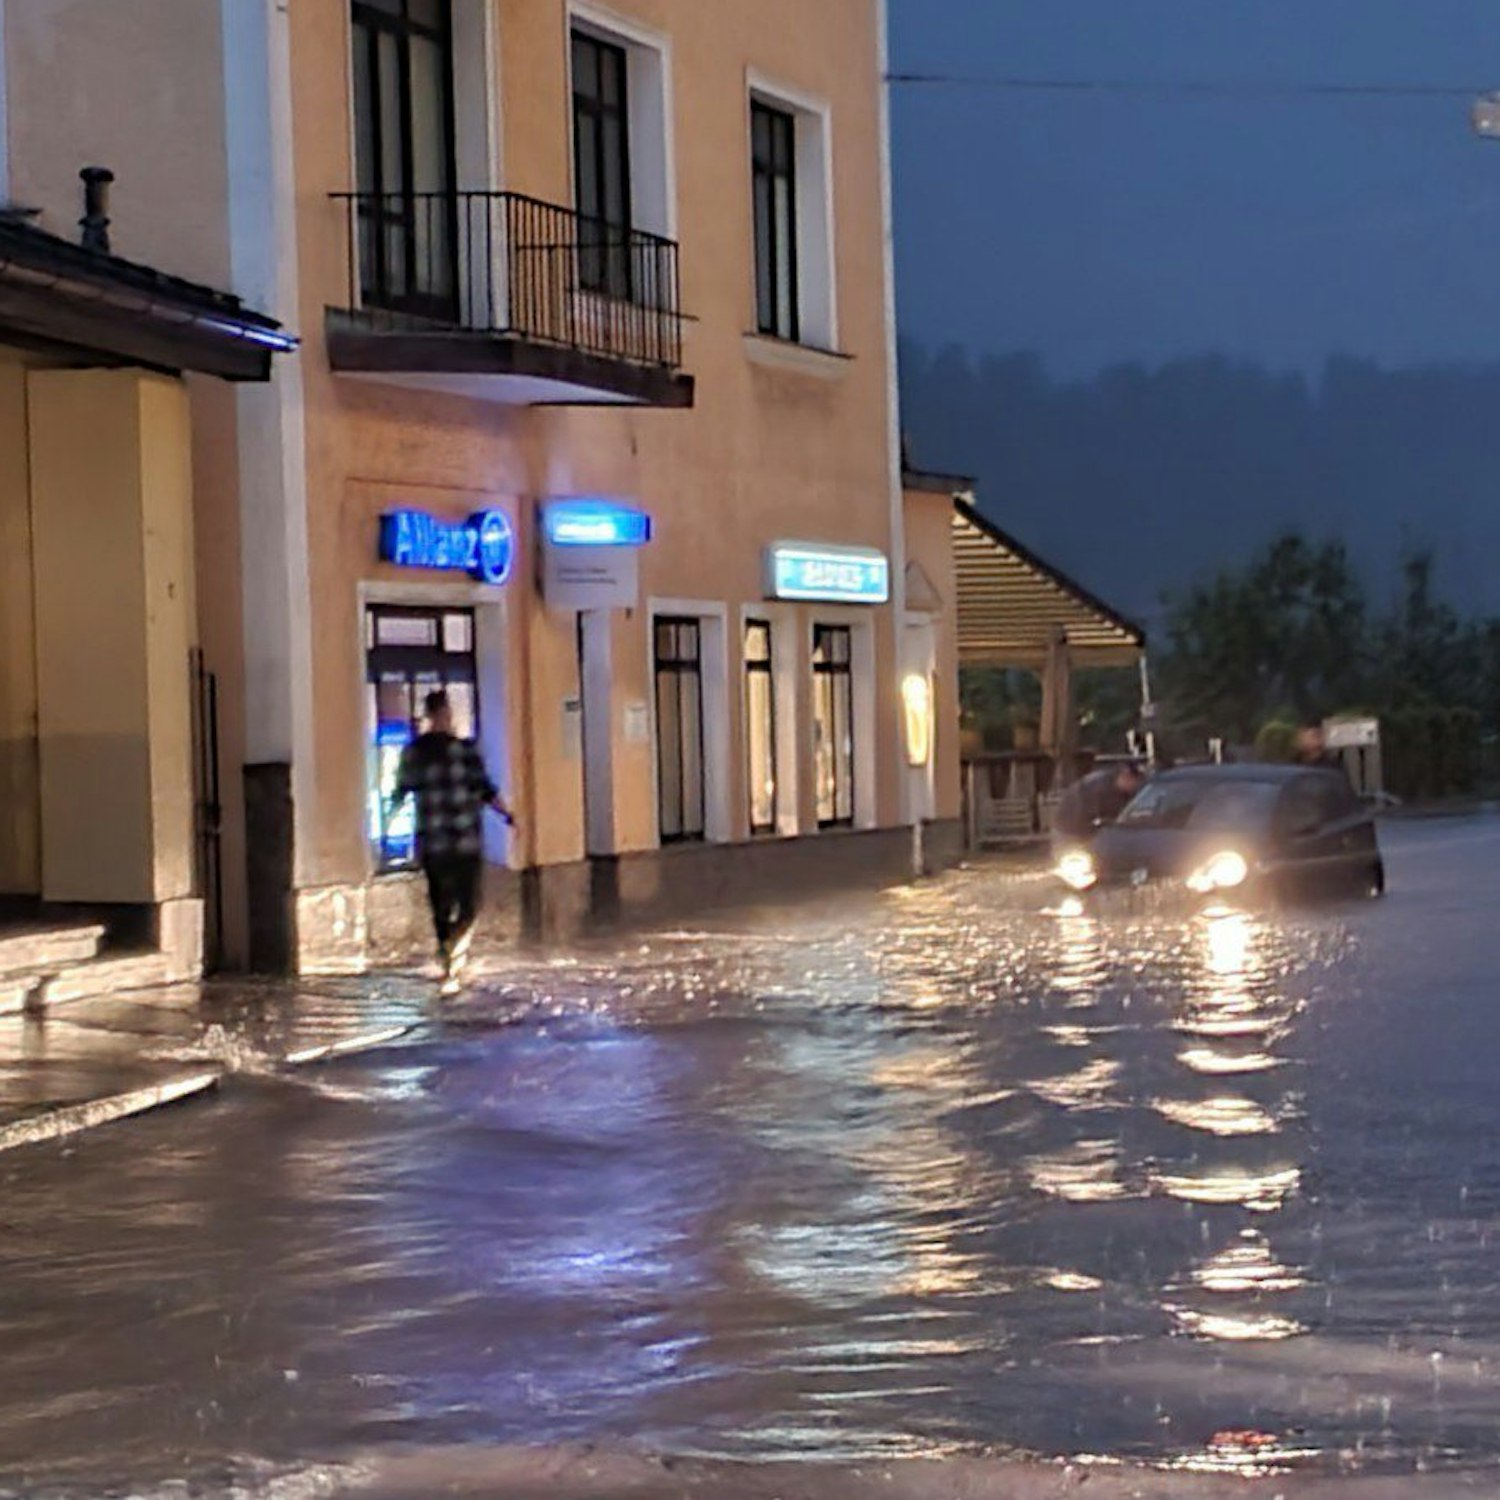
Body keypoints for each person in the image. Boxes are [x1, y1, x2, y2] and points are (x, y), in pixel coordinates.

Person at [390, 690, 514, 992]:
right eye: (445, 713)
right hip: (460, 840)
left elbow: (401, 792)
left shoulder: (419, 752)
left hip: (437, 841)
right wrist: (508, 814)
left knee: (449, 905)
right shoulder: (459, 751)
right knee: (463, 904)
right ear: (441, 714)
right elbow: (484, 789)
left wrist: (507, 814)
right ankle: (452, 955)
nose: (447, 718)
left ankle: (450, 953)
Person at [1052, 761, 1147, 845]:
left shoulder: (1127, 793)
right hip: (1069, 831)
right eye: (1136, 781)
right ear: (1125, 776)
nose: (1137, 786)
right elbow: (1090, 816)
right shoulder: (1097, 788)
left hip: (1092, 834)